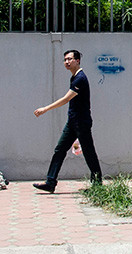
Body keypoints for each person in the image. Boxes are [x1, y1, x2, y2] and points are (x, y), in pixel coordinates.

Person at [33, 49, 102, 193]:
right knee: (60, 150)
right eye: (65, 60)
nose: (67, 62)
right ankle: (50, 182)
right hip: (72, 122)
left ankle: (97, 184)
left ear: (77, 61)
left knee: (89, 152)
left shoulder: (80, 78)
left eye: (70, 59)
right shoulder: (74, 77)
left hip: (81, 122)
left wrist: (45, 109)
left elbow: (66, 99)